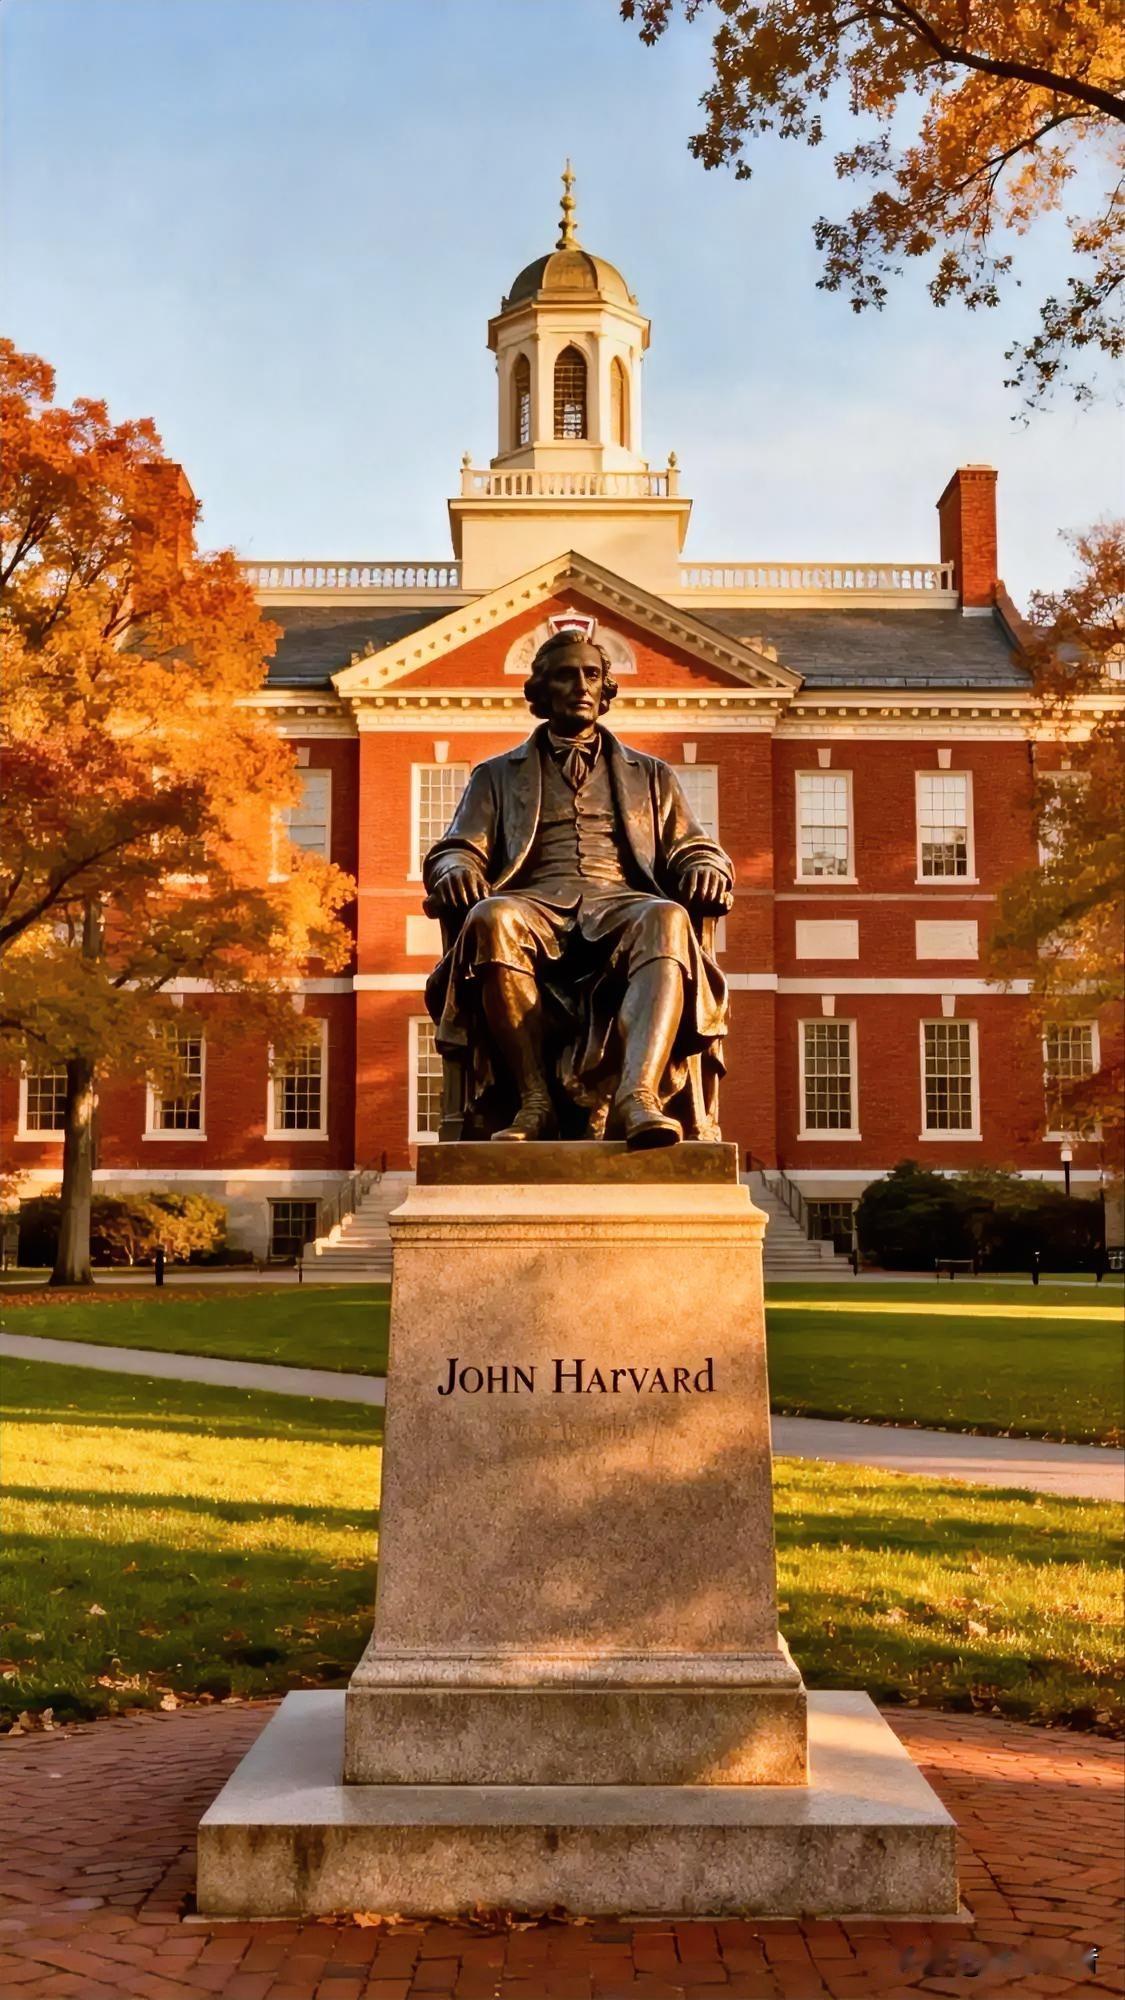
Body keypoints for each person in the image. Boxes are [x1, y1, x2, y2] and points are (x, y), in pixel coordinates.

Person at [424, 628, 734, 1147]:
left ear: (606, 689)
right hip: (533, 903)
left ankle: (638, 1097)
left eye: (592, 675)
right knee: (491, 918)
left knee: (668, 917)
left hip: (621, 902)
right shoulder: (495, 775)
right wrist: (455, 867)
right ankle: (533, 1101)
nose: (581, 686)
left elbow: (691, 845)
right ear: (541, 691)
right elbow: (458, 846)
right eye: (566, 676)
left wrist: (707, 866)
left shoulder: (651, 775)